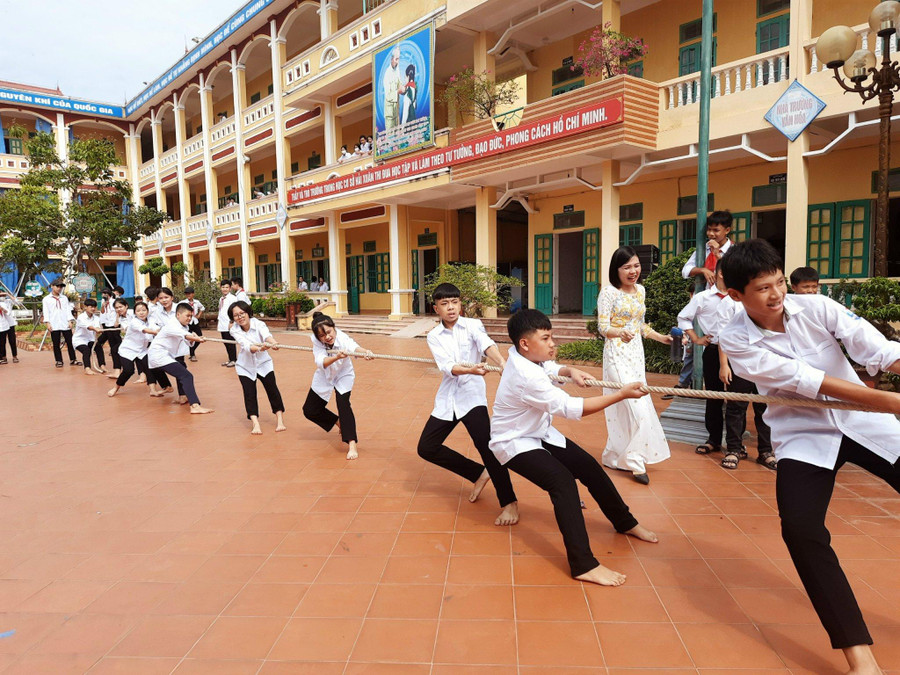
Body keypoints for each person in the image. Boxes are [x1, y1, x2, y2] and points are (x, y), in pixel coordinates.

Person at [718, 238, 900, 675]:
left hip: (866, 424)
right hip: (803, 434)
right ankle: (860, 657)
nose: (777, 294)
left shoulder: (817, 307)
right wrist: (890, 403)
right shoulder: (736, 339)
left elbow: (879, 350)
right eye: (763, 288)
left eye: (779, 282)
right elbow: (808, 380)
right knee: (801, 530)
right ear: (736, 295)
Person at [490, 309, 658, 585]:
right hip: (513, 441)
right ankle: (583, 564)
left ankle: (625, 522)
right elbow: (572, 408)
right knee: (563, 483)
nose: (552, 343)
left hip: (538, 432)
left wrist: (570, 370)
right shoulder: (525, 375)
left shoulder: (524, 356)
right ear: (525, 343)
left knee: (589, 467)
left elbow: (551, 369)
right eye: (546, 338)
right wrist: (621, 395)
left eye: (552, 337)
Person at [418, 283, 519, 526]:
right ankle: (477, 472)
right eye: (444, 304)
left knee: (488, 448)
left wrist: (502, 362)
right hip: (448, 399)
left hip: (473, 398)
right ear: (436, 309)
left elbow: (486, 344)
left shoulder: (472, 325)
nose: (450, 307)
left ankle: (510, 502)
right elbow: (447, 366)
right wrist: (470, 369)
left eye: (454, 301)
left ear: (460, 304)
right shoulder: (433, 336)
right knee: (427, 447)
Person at [597, 247, 672, 484]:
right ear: (616, 270)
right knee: (634, 406)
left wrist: (662, 338)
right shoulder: (608, 293)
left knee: (635, 404)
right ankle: (636, 461)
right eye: (626, 267)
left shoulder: (641, 290)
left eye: (636, 265)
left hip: (636, 355)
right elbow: (602, 327)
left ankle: (617, 454)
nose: (633, 271)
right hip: (616, 354)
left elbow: (640, 325)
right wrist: (619, 333)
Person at [303, 312, 373, 460]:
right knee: (309, 410)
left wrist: (365, 352)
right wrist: (336, 357)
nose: (327, 337)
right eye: (322, 335)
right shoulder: (316, 341)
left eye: (329, 332)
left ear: (334, 328)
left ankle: (352, 444)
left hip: (343, 375)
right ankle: (339, 422)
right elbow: (320, 361)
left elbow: (354, 347)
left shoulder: (342, 337)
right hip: (325, 375)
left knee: (343, 405)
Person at [228, 300, 286, 435]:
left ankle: (280, 420)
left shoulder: (258, 323)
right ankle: (255, 423)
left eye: (242, 313)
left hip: (264, 364)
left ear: (248, 313)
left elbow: (267, 335)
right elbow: (247, 347)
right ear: (233, 318)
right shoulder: (234, 330)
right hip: (245, 366)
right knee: (249, 394)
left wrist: (273, 343)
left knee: (272, 390)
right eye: (236, 315)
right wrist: (261, 348)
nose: (240, 317)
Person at [147, 302, 212, 413]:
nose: (189, 318)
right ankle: (195, 406)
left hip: (165, 355)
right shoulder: (172, 325)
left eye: (191, 316)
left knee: (182, 366)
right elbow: (185, 335)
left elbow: (187, 340)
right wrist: (196, 338)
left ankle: (183, 396)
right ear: (178, 315)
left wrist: (194, 338)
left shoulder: (183, 326)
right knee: (187, 376)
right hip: (159, 355)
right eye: (187, 316)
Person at [108, 300, 159, 397]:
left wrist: (161, 330)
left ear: (148, 311)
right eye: (139, 311)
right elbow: (144, 330)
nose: (141, 312)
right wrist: (156, 332)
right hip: (128, 349)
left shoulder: (150, 320)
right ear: (135, 313)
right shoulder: (133, 321)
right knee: (128, 370)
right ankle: (115, 388)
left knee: (150, 367)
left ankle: (152, 390)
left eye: (144, 310)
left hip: (142, 350)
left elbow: (155, 327)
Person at [682, 210, 735, 289]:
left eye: (716, 230)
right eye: (709, 229)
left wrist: (717, 255)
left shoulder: (735, 250)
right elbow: (685, 271)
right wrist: (703, 270)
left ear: (727, 230)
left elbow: (734, 274)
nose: (711, 234)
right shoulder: (703, 249)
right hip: (708, 297)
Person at [43, 279, 77, 368]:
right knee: (56, 343)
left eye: (61, 287)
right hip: (54, 323)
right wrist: (47, 323)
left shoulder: (64, 298)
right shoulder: (46, 299)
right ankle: (59, 360)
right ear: (52, 286)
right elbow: (46, 312)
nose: (59, 288)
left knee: (70, 342)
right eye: (57, 286)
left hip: (64, 322)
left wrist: (70, 320)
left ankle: (73, 359)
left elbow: (67, 310)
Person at [93, 288, 120, 375]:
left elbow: (118, 312)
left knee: (117, 344)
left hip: (114, 325)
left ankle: (120, 364)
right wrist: (103, 305)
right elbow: (102, 312)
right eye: (102, 293)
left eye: (105, 293)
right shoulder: (103, 301)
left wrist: (117, 321)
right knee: (112, 346)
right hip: (107, 324)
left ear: (109, 294)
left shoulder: (114, 301)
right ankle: (116, 366)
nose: (103, 295)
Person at [72, 299, 103, 374]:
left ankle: (102, 365)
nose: (93, 309)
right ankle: (87, 368)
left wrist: (100, 329)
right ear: (85, 307)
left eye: (95, 307)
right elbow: (89, 327)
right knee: (86, 350)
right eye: (91, 307)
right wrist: (96, 329)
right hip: (79, 340)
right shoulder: (81, 317)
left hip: (90, 339)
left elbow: (97, 327)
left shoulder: (96, 318)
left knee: (98, 347)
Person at [382, 46, 407, 130]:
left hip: (396, 109)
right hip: (389, 111)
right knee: (390, 135)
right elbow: (388, 96)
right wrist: (398, 91)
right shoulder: (387, 74)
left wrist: (403, 88)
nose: (397, 62)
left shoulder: (397, 70)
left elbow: (399, 84)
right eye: (396, 59)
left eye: (399, 59)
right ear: (391, 59)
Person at [217, 279, 237, 367]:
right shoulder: (221, 298)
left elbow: (234, 311)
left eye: (226, 287)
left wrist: (232, 321)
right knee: (225, 342)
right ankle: (230, 359)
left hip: (229, 324)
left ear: (230, 288)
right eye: (223, 287)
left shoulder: (233, 298)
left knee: (230, 343)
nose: (224, 289)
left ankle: (234, 360)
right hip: (222, 324)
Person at [183, 286, 205, 362]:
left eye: (189, 294)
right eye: (186, 294)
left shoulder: (197, 302)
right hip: (187, 323)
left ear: (193, 294)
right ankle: (192, 354)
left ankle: (191, 350)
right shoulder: (183, 303)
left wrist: (199, 315)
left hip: (195, 321)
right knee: (190, 337)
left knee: (199, 337)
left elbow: (202, 308)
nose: (188, 295)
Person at [0, 291, 14, 365]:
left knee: (11, 341)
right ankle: (3, 357)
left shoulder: (7, 302)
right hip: (2, 325)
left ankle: (14, 356)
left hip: (7, 325)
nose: (2, 296)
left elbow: (7, 312)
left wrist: (8, 294)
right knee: (2, 343)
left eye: (3, 295)